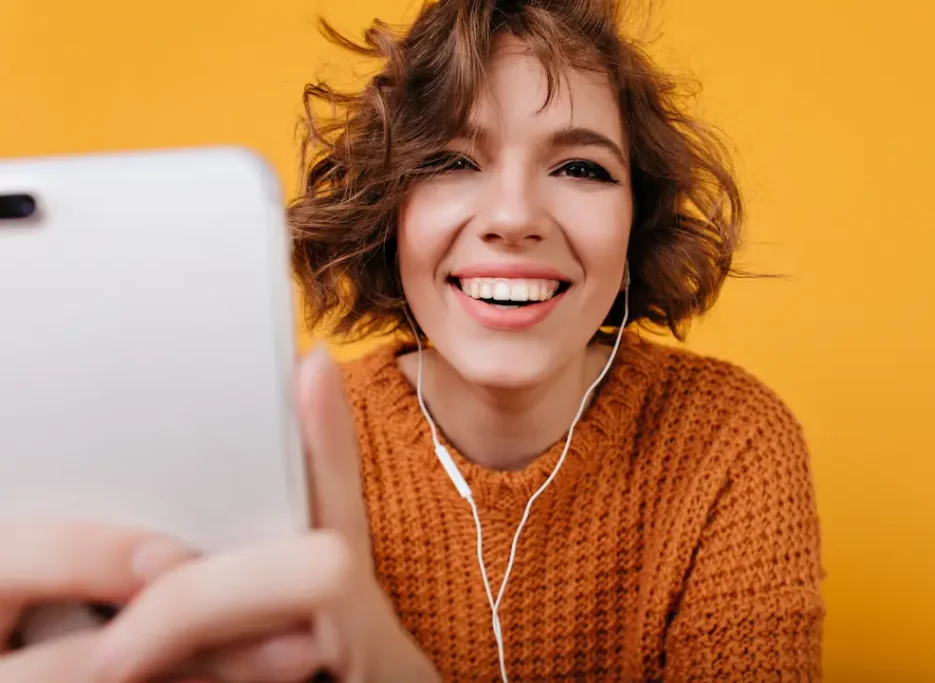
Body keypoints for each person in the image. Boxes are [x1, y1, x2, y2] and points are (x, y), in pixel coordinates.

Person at [0, 0, 824, 681]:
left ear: (634, 221)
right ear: (389, 213)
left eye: (580, 168)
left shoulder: (728, 440)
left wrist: (375, 651)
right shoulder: (285, 442)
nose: (512, 218)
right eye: (451, 161)